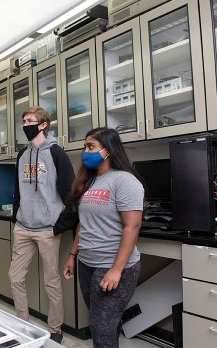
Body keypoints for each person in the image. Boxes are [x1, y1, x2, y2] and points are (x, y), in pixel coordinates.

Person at [62, 127, 144, 348]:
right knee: (106, 324)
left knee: (101, 327)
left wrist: (116, 270)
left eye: (91, 146)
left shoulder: (124, 180)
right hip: (87, 263)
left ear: (108, 150)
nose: (85, 151)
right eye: (85, 146)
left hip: (114, 266)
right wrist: (72, 255)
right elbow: (83, 223)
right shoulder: (90, 181)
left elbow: (132, 226)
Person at [9, 106, 77, 344]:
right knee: (15, 277)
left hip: (47, 228)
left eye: (30, 121)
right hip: (23, 226)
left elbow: (71, 193)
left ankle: (55, 329)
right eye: (24, 120)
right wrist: (17, 216)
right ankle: (23, 324)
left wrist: (59, 225)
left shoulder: (56, 153)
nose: (25, 124)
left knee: (51, 281)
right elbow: (18, 190)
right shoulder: (22, 155)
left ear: (43, 125)